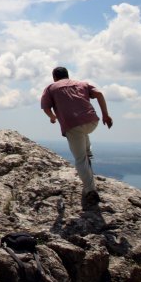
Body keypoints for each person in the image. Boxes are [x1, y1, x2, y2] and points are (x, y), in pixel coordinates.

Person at [41, 66, 113, 207]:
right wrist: (105, 114)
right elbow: (99, 94)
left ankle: (91, 191)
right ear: (68, 75)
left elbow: (45, 107)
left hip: (72, 124)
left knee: (80, 159)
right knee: (83, 134)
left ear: (54, 77)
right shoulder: (82, 84)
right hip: (92, 121)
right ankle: (88, 152)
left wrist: (52, 117)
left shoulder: (51, 88)